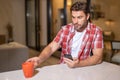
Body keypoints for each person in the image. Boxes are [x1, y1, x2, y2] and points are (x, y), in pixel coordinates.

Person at [27, 1, 104, 68]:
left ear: (87, 16)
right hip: (64, 67)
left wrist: (79, 64)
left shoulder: (96, 31)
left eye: (79, 17)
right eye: (73, 17)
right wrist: (39, 59)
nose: (75, 21)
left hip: (83, 68)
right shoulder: (65, 29)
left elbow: (98, 57)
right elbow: (51, 47)